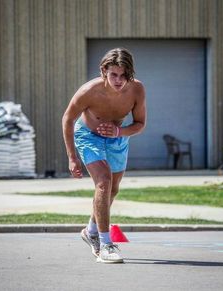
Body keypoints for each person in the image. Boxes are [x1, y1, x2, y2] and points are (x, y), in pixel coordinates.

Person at [62, 48, 146, 263]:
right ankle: (106, 244)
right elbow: (68, 120)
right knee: (104, 182)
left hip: (118, 137)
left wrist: (120, 132)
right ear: (104, 71)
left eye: (124, 75)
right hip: (88, 136)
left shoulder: (136, 90)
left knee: (113, 189)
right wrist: (72, 157)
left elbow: (140, 124)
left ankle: (90, 230)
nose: (119, 80)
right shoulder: (89, 91)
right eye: (113, 75)